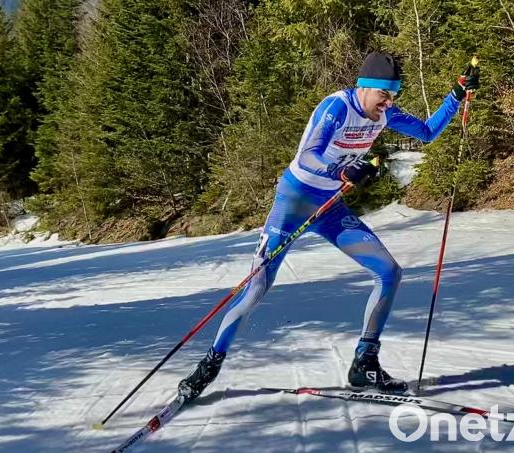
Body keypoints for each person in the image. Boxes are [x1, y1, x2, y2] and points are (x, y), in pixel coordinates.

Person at [177, 52, 480, 398]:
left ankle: (364, 362)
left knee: (389, 272)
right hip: (292, 203)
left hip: (329, 207)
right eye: (385, 94)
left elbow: (426, 133)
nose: (389, 102)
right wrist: (340, 171)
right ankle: (210, 364)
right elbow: (308, 153)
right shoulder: (336, 108)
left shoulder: (385, 113)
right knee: (258, 286)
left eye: (393, 95)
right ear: (365, 87)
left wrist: (456, 97)